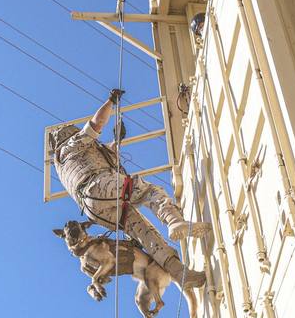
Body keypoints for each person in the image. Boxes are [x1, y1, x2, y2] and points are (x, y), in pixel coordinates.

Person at [49, 90, 210, 289]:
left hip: (97, 210)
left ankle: (181, 274)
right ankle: (174, 221)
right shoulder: (68, 146)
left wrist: (117, 140)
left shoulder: (64, 164)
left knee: (145, 233)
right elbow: (96, 124)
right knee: (145, 190)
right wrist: (110, 101)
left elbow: (106, 157)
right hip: (98, 187)